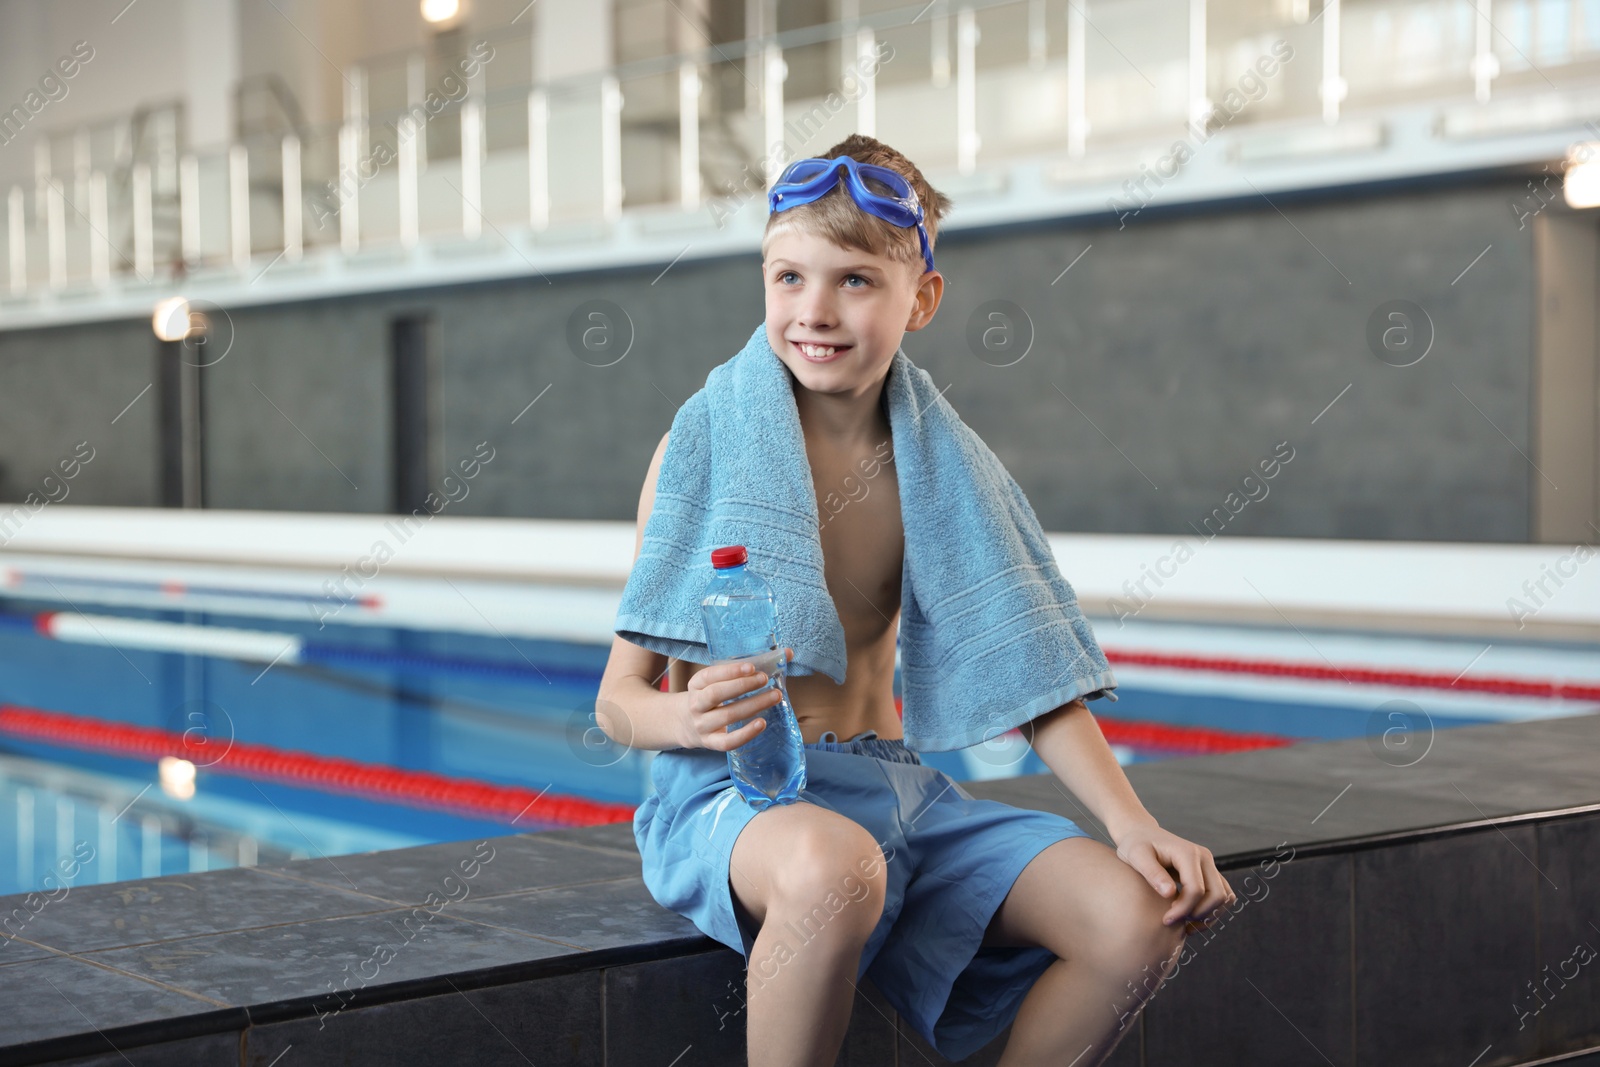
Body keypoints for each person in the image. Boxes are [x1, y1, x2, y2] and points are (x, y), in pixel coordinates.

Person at [596, 133, 1235, 1067]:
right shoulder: (702, 446)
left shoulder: (943, 465)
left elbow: (1028, 667)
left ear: (921, 298)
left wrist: (1134, 824)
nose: (813, 310)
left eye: (854, 280)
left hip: (897, 789)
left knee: (1135, 917)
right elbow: (618, 701)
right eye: (788, 278)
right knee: (838, 867)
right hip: (735, 796)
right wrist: (685, 718)